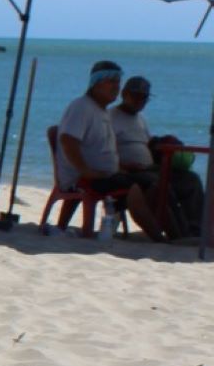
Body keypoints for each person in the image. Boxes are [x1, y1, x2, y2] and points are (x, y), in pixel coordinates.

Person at [55, 61, 165, 241]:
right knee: (141, 185)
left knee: (155, 180)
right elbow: (68, 141)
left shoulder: (100, 111)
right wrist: (85, 171)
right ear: (96, 82)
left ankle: (175, 232)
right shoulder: (81, 107)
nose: (116, 86)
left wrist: (121, 167)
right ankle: (158, 237)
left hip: (106, 175)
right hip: (87, 179)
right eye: (111, 81)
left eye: (118, 82)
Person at [110, 74, 201, 239]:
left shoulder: (141, 119)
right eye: (136, 96)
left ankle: (196, 229)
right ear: (124, 94)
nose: (140, 101)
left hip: (149, 169)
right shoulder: (111, 118)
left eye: (144, 98)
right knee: (162, 185)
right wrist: (124, 166)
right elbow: (107, 153)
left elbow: (146, 144)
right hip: (128, 172)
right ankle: (180, 233)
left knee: (191, 179)